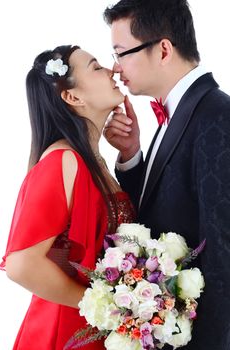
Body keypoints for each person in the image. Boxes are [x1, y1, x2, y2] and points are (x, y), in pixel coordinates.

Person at [103, 0, 230, 349]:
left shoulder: (218, 116)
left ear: (162, 50)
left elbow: (223, 255)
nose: (115, 67)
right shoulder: (174, 112)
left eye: (121, 52)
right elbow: (159, 211)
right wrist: (131, 156)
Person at [0, 45, 135, 350]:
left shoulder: (90, 161)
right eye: (97, 67)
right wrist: (102, 306)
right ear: (72, 97)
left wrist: (128, 154)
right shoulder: (63, 160)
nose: (112, 70)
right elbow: (20, 264)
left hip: (97, 330)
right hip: (64, 332)